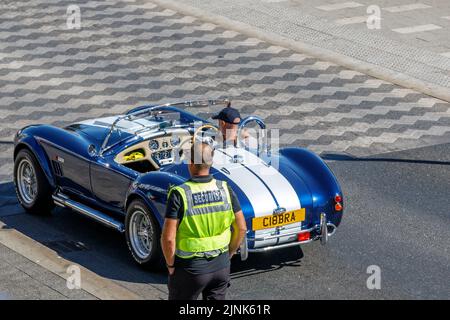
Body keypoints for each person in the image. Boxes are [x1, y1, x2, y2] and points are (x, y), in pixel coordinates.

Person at [161, 142, 247, 300]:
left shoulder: (180, 193)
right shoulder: (225, 188)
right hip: (221, 266)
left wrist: (171, 265)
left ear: (191, 163)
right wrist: (228, 255)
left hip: (191, 269)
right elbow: (241, 228)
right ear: (211, 161)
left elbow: (168, 239)